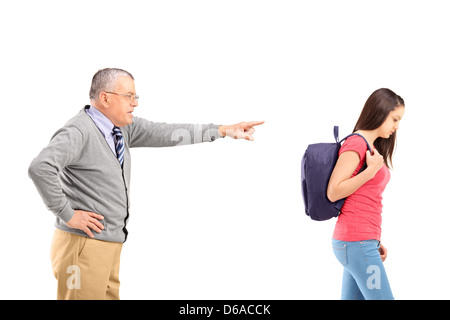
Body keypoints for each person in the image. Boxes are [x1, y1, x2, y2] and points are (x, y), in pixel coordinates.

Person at [28, 68, 264, 300]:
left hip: (109, 243)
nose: (135, 103)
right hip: (83, 246)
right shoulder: (79, 131)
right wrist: (66, 213)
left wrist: (222, 130)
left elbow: (166, 133)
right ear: (105, 98)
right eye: (129, 96)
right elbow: (40, 167)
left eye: (135, 96)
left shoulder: (121, 128)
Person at [327, 88, 405, 300]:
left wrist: (374, 241)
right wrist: (370, 171)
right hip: (356, 243)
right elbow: (334, 191)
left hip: (360, 243)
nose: (397, 127)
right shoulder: (356, 143)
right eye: (395, 119)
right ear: (380, 112)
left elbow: (364, 198)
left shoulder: (370, 147)